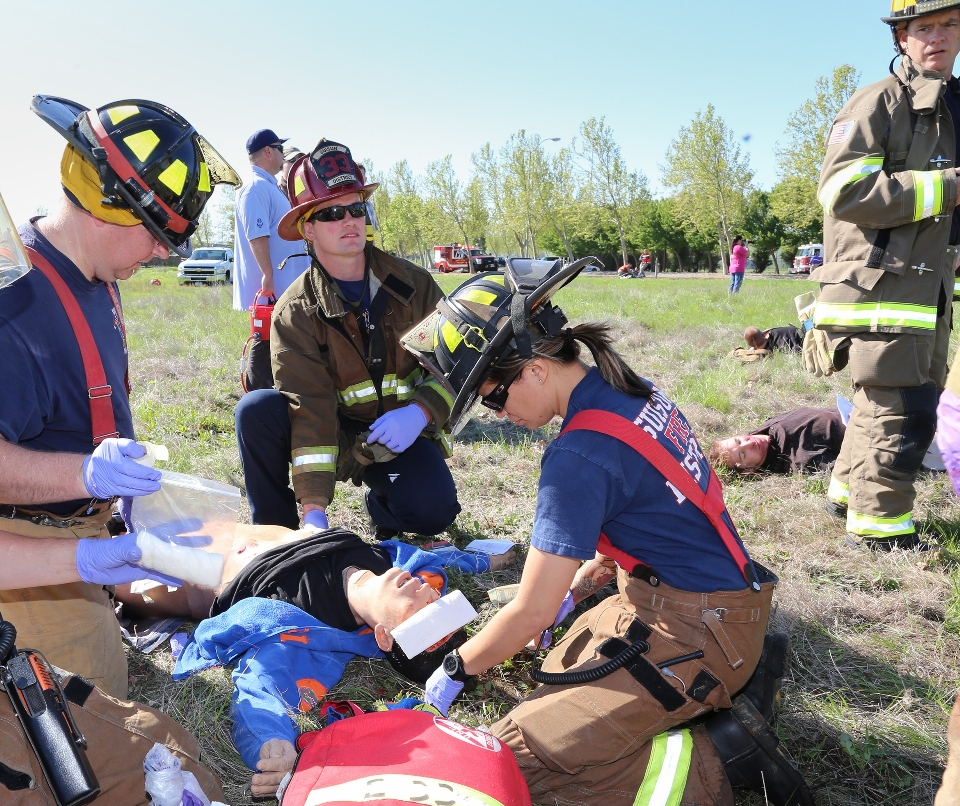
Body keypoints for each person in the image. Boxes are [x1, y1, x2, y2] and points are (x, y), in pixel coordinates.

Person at [401, 259, 811, 806]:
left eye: (494, 396)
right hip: (696, 601)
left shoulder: (577, 454)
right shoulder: (627, 391)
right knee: (556, 671)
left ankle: (726, 761)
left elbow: (531, 611)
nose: (497, 415)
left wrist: (456, 668)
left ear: (535, 369)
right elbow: (657, 509)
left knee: (516, 766)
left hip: (697, 626)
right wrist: (585, 580)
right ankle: (730, 682)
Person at [0, 95, 239, 699]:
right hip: (24, 548)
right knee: (101, 715)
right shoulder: (14, 302)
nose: (164, 253)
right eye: (158, 235)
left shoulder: (92, 276)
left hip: (89, 530)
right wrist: (85, 473)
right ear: (109, 208)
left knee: (224, 575)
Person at [171, 527, 513, 797]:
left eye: (422, 611)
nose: (426, 593)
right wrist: (486, 561)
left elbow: (261, 689)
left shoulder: (303, 631)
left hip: (195, 567)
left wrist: (272, 743)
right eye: (437, 601)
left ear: (384, 637)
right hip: (248, 521)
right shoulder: (398, 569)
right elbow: (440, 563)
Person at [233, 139, 460, 538]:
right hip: (330, 433)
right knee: (257, 410)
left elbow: (453, 367)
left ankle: (383, 507)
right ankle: (278, 535)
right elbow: (310, 407)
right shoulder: (295, 311)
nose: (350, 220)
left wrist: (420, 413)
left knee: (433, 511)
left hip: (397, 431)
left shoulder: (416, 286)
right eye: (333, 213)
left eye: (357, 208)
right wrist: (315, 511)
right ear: (307, 228)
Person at [805, 1, 960, 550]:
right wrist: (948, 187)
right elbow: (843, 192)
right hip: (880, 288)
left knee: (887, 399)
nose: (937, 37)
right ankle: (880, 529)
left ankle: (847, 491)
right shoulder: (878, 102)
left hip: (926, 290)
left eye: (949, 25)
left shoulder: (949, 106)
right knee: (901, 407)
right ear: (901, 38)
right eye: (924, 28)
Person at [233, 129, 311, 391]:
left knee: (278, 340)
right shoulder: (255, 187)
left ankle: (273, 391)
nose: (281, 156)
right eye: (279, 149)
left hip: (282, 282)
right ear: (268, 151)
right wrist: (268, 276)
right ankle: (258, 394)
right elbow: (257, 234)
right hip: (273, 286)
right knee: (265, 338)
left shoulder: (265, 185)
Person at [708, 408, 845, 474]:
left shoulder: (764, 430)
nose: (749, 443)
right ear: (748, 470)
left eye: (738, 441)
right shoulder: (799, 459)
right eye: (743, 454)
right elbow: (845, 469)